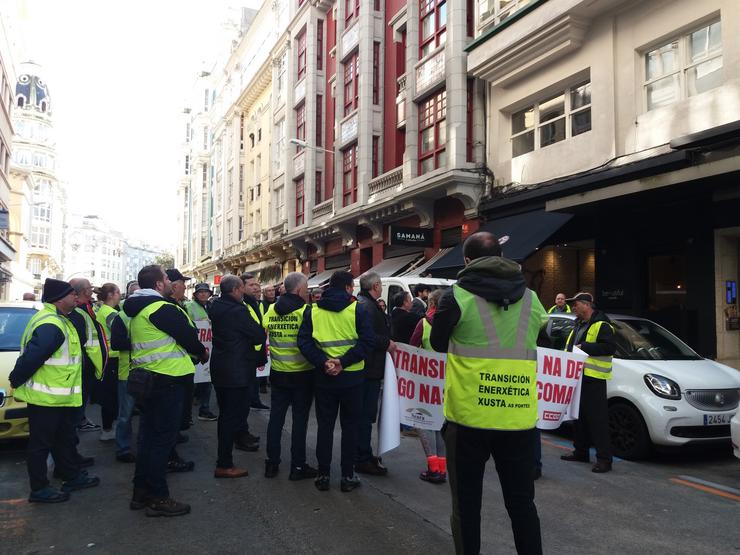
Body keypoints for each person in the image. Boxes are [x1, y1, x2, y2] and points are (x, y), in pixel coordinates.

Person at [430, 231, 548, 555]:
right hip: (518, 419)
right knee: (522, 505)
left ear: (468, 261)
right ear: (501, 256)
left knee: (466, 507)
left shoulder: (456, 297)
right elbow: (543, 336)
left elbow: (439, 343)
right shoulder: (532, 298)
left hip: (469, 419)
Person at [124, 265, 208, 517]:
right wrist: (201, 351)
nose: (171, 282)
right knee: (161, 441)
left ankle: (141, 492)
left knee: (148, 439)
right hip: (167, 379)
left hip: (149, 379)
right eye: (166, 279)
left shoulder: (137, 309)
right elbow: (190, 337)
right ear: (159, 285)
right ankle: (159, 497)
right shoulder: (162, 308)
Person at [10, 278, 101, 503]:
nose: (76, 298)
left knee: (63, 437)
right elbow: (34, 357)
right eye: (72, 295)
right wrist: (15, 378)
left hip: (57, 396)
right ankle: (39, 489)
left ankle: (69, 474)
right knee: (41, 444)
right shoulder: (52, 323)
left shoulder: (59, 319)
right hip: (46, 397)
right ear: (60, 299)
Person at [298, 270, 374, 493]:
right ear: (349, 287)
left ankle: (323, 474)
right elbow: (367, 342)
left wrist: (324, 362)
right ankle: (347, 475)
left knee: (325, 427)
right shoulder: (357, 310)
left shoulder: (312, 311)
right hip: (352, 378)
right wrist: (343, 362)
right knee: (350, 427)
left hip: (324, 378)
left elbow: (304, 343)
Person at [207, 274, 266, 478]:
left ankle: (225, 458)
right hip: (237, 370)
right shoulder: (237, 310)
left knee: (226, 415)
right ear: (234, 290)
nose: (244, 291)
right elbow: (258, 334)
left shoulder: (216, 307)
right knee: (232, 417)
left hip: (221, 368)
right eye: (242, 288)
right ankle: (224, 463)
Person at [262, 272, 318, 480]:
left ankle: (272, 464)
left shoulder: (271, 310)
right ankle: (298, 466)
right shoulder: (306, 311)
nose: (307, 291)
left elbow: (262, 334)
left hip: (278, 372)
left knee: (276, 420)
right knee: (299, 422)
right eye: (306, 287)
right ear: (299, 289)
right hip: (302, 374)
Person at [560, 292, 615, 473]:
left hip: (594, 379)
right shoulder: (578, 324)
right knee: (579, 417)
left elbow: (609, 347)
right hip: (577, 377)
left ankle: (604, 459)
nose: (573, 308)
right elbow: (570, 347)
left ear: (586, 305)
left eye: (575, 305)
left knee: (597, 420)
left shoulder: (602, 325)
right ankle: (581, 452)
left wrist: (585, 347)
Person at [354, 271, 396, 476]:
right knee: (365, 416)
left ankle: (364, 453)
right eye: (379, 285)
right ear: (376, 286)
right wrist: (387, 343)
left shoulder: (366, 303)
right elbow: (369, 337)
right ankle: (362, 457)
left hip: (369, 368)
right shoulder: (367, 306)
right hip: (368, 369)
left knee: (365, 415)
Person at [409, 288, 446, 484]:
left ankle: (433, 468)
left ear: (431, 304)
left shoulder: (423, 323)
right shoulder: (452, 324)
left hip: (425, 382)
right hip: (446, 382)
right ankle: (442, 468)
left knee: (422, 422)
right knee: (441, 425)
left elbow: (412, 348)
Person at [69, 278, 108, 434]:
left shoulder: (86, 308)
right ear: (85, 291)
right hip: (84, 365)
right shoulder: (79, 311)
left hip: (89, 364)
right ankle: (77, 424)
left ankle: (80, 420)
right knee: (79, 401)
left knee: (82, 400)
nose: (92, 291)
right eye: (90, 288)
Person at [110, 281, 139, 463]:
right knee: (125, 414)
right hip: (127, 372)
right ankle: (123, 448)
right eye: (134, 294)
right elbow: (116, 343)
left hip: (148, 371)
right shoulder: (121, 317)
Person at [186, 283, 217, 422]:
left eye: (206, 292)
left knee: (206, 380)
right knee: (191, 383)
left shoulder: (211, 306)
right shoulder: (190, 306)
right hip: (194, 351)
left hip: (208, 349)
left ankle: (204, 409)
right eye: (200, 292)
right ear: (196, 294)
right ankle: (186, 415)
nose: (203, 294)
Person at [95, 283, 121, 442]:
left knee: (109, 395)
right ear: (111, 295)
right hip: (113, 358)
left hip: (107, 358)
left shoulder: (103, 310)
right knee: (112, 396)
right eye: (118, 292)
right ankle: (108, 429)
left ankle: (108, 427)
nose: (119, 295)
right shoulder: (110, 313)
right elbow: (120, 334)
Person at [241, 272, 270, 412]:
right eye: (251, 285)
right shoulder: (242, 304)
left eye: (257, 285)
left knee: (253, 380)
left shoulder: (255, 303)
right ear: (242, 287)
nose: (255, 288)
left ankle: (254, 400)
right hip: (247, 351)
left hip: (255, 349)